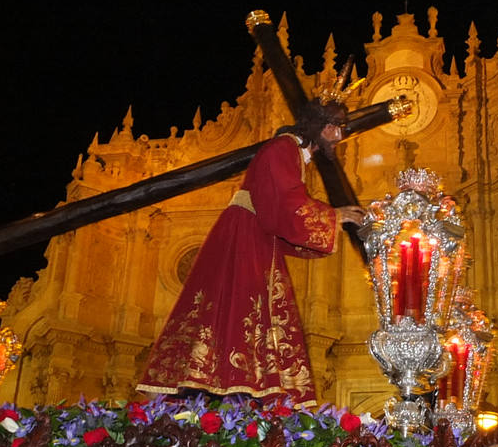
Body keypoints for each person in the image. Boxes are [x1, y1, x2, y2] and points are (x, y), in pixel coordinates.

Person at [138, 98, 365, 403]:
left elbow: (282, 209)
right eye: (336, 127)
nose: (338, 136)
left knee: (247, 311)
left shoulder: (290, 153)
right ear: (321, 127)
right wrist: (335, 216)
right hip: (245, 237)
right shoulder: (282, 149)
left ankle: (239, 385)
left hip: (255, 236)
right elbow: (285, 205)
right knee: (241, 307)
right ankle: (229, 387)